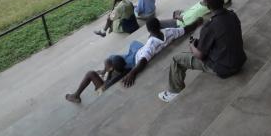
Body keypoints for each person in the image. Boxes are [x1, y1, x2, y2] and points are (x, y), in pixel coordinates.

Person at [66, 17, 203, 103]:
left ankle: (77, 94)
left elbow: (143, 60)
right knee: (133, 44)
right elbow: (185, 29)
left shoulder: (150, 45)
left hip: (134, 60)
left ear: (148, 29)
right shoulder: (169, 32)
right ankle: (105, 71)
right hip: (139, 51)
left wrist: (132, 73)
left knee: (109, 60)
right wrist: (197, 22)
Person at [158, 0, 246, 103]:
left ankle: (174, 92)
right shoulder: (233, 15)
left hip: (224, 68)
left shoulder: (210, 26)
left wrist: (191, 46)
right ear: (222, 1)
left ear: (208, 6)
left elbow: (199, 55)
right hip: (240, 61)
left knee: (177, 59)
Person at [159, 0, 232, 28]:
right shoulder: (216, 0)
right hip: (185, 16)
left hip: (179, 23)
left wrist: (177, 16)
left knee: (156, 23)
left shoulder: (199, 11)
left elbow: (184, 21)